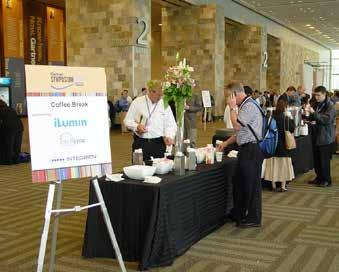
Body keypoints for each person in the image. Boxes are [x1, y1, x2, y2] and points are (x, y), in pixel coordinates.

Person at [218, 82, 263, 228]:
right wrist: (225, 144)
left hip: (251, 150)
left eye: (228, 96)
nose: (227, 100)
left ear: (234, 94)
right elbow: (240, 132)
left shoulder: (249, 106)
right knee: (240, 182)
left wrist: (231, 108)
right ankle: (238, 212)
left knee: (251, 184)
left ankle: (253, 218)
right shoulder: (245, 105)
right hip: (245, 148)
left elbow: (237, 125)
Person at [124, 80, 177, 161]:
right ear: (151, 91)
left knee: (159, 171)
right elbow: (127, 120)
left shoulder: (164, 104)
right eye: (158, 95)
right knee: (139, 170)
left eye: (161, 95)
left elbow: (170, 124)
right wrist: (136, 126)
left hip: (158, 144)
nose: (160, 98)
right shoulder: (137, 102)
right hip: (141, 143)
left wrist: (169, 136)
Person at [263, 99, 295, 192]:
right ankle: (283, 186)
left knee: (273, 165)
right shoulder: (286, 118)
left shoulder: (271, 117)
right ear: (285, 107)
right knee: (283, 166)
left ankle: (273, 185)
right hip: (283, 145)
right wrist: (291, 117)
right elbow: (292, 128)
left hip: (272, 145)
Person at [306, 86, 336, 187]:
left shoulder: (330, 105)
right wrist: (309, 116)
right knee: (316, 159)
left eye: (318, 95)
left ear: (324, 94)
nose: (316, 97)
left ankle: (327, 180)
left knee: (324, 160)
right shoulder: (317, 103)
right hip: (316, 134)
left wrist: (313, 113)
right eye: (315, 95)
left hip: (325, 137)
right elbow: (316, 117)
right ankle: (319, 177)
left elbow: (326, 120)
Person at [0, 99, 24, 164]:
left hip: (10, 129)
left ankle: (9, 161)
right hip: (19, 127)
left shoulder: (1, 110)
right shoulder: (10, 108)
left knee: (9, 145)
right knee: (17, 145)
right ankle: (16, 160)